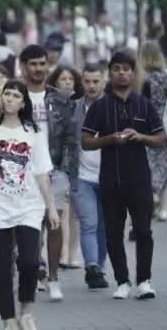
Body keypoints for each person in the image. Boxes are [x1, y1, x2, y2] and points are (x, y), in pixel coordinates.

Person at [0, 80, 59, 330]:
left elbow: (42, 173)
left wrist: (51, 206)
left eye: (15, 96)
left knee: (31, 262)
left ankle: (27, 310)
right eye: (6, 94)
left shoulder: (33, 133)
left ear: (23, 103)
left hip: (29, 206)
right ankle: (8, 320)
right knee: (0, 267)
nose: (9, 99)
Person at [82, 51, 165, 300]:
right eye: (116, 68)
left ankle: (144, 281)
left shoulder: (144, 104)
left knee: (143, 231)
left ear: (133, 72)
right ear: (110, 72)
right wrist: (109, 139)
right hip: (110, 179)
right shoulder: (100, 106)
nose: (121, 73)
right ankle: (122, 281)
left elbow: (161, 139)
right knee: (113, 233)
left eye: (126, 69)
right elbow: (85, 141)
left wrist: (140, 137)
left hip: (139, 179)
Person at [19, 45, 77, 301]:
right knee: (27, 229)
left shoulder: (60, 99)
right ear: (23, 66)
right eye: (33, 64)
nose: (39, 69)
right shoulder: (14, 95)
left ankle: (53, 277)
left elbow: (70, 138)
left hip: (54, 170)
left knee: (54, 224)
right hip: (21, 171)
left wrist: (64, 171)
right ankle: (33, 273)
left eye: (43, 64)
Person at [70, 64, 109, 289]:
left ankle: (100, 268)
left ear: (103, 82)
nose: (92, 85)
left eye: (96, 81)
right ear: (82, 82)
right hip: (81, 176)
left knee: (104, 225)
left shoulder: (113, 107)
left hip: (109, 176)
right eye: (88, 81)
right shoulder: (73, 108)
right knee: (89, 222)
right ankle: (91, 266)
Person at [139, 41, 167, 222]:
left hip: (147, 127)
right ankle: (163, 208)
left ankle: (153, 197)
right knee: (166, 167)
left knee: (148, 165)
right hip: (166, 126)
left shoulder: (142, 77)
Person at [46, 65, 84, 269]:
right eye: (63, 79)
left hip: (77, 163)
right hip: (57, 163)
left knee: (75, 212)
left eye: (71, 79)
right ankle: (61, 253)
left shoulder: (80, 104)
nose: (67, 82)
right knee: (61, 209)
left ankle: (72, 253)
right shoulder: (49, 103)